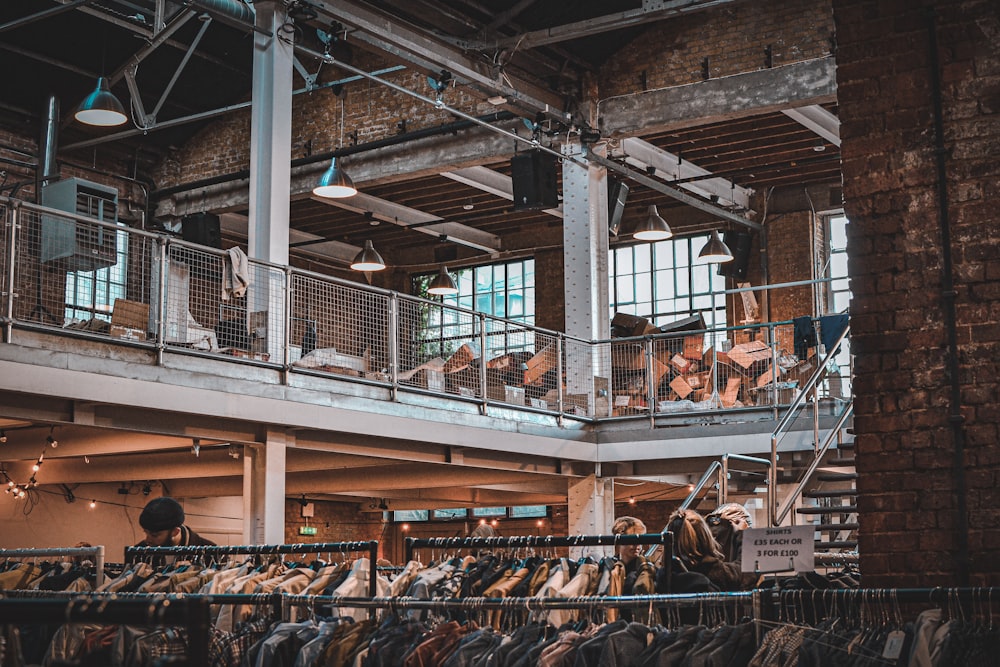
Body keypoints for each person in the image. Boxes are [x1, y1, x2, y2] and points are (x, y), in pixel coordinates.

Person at [666, 508, 759, 591]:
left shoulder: (665, 578)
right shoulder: (719, 575)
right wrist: (742, 534)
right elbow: (748, 569)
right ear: (707, 538)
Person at [136, 496, 216, 548]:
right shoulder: (138, 552)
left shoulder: (210, 553)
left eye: (154, 535)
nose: (147, 540)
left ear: (175, 532)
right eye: (146, 533)